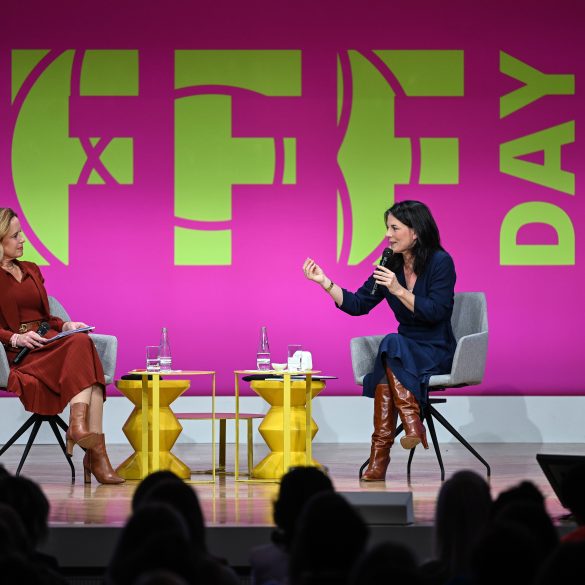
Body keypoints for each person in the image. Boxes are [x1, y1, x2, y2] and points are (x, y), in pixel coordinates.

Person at [303, 200, 456, 481]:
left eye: (395, 228)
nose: (388, 234)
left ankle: (383, 453)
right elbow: (358, 304)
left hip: (436, 348)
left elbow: (437, 312)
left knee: (390, 346)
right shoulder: (390, 262)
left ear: (415, 232)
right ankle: (410, 428)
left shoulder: (440, 262)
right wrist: (325, 282)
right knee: (391, 350)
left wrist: (398, 290)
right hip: (404, 352)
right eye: (387, 228)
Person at [0, 207, 123, 484]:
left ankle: (81, 433)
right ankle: (94, 454)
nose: (23, 240)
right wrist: (15, 338)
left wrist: (65, 325)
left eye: (22, 234)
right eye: (15, 235)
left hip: (47, 340)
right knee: (86, 361)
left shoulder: (31, 270)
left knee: (80, 340)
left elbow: (45, 316)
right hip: (21, 353)